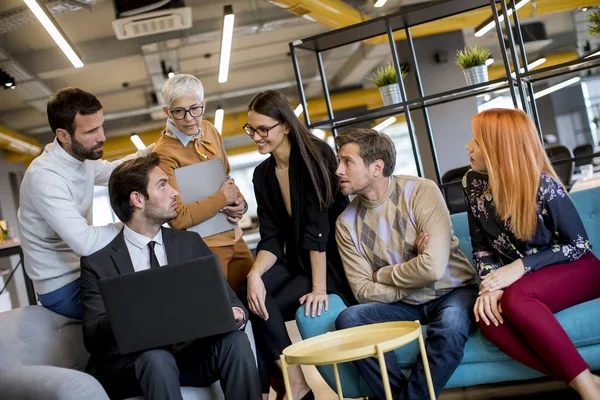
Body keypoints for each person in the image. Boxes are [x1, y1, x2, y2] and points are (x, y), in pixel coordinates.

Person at [80, 153, 261, 400]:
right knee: (156, 357)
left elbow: (229, 299)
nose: (175, 192)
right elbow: (93, 338)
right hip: (138, 365)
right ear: (137, 199)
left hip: (190, 357)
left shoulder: (190, 243)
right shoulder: (97, 264)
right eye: (163, 185)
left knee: (235, 342)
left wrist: (236, 313)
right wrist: (132, 305)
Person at [463, 108, 600, 399]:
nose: (468, 146)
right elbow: (482, 248)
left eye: (476, 140)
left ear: (497, 148)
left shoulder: (543, 185)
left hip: (578, 268)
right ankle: (587, 382)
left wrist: (521, 267)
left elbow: (578, 245)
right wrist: (490, 286)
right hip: (524, 281)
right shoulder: (472, 184)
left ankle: (590, 393)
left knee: (516, 298)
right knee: (487, 317)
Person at [333, 128, 478, 400]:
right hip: (400, 306)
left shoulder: (421, 191)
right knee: (350, 319)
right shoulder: (345, 223)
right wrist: (415, 276)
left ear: (377, 167)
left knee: (450, 327)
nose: (338, 170)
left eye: (347, 161)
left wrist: (383, 274)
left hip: (452, 292)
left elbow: (433, 269)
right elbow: (362, 291)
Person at [238, 90, 355, 399]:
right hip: (296, 262)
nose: (256, 136)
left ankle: (296, 382)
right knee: (245, 293)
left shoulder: (315, 156)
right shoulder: (262, 174)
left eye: (263, 129)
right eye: (251, 129)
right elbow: (272, 236)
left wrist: (319, 288)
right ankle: (291, 376)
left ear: (286, 126)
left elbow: (318, 230)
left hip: (330, 262)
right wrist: (254, 275)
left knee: (267, 304)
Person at [17, 87, 153, 319]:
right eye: (91, 131)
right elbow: (85, 242)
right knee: (145, 307)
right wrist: (137, 222)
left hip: (87, 269)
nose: (102, 137)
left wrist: (157, 150)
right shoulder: (45, 176)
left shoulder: (82, 158)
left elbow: (115, 172)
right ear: (63, 135)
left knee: (156, 281)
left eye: (101, 126)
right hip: (62, 287)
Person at [153, 74, 253, 292]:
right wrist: (221, 199)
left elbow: (227, 179)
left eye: (195, 109)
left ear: (204, 104)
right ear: (167, 112)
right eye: (179, 111)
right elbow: (177, 219)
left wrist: (240, 205)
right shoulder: (163, 153)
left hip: (236, 238)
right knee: (222, 315)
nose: (189, 118)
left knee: (258, 306)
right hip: (204, 248)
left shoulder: (209, 129)